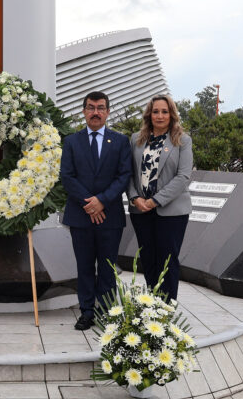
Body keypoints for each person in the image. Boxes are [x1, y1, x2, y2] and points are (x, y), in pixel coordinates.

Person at [60, 91, 132, 330]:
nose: (95, 112)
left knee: (108, 268)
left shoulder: (121, 142)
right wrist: (89, 205)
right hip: (80, 217)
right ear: (83, 111)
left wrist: (101, 201)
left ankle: (107, 311)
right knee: (84, 267)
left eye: (101, 108)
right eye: (90, 108)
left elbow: (123, 176)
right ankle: (87, 312)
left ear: (108, 112)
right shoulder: (71, 141)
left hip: (110, 216)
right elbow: (67, 177)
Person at [127, 95, 192, 301]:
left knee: (167, 260)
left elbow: (183, 177)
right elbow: (128, 174)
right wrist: (134, 197)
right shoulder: (136, 139)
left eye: (165, 112)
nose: (160, 116)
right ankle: (152, 304)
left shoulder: (182, 140)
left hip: (171, 212)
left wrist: (155, 200)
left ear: (172, 115)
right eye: (156, 111)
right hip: (141, 211)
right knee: (148, 259)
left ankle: (166, 308)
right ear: (149, 114)